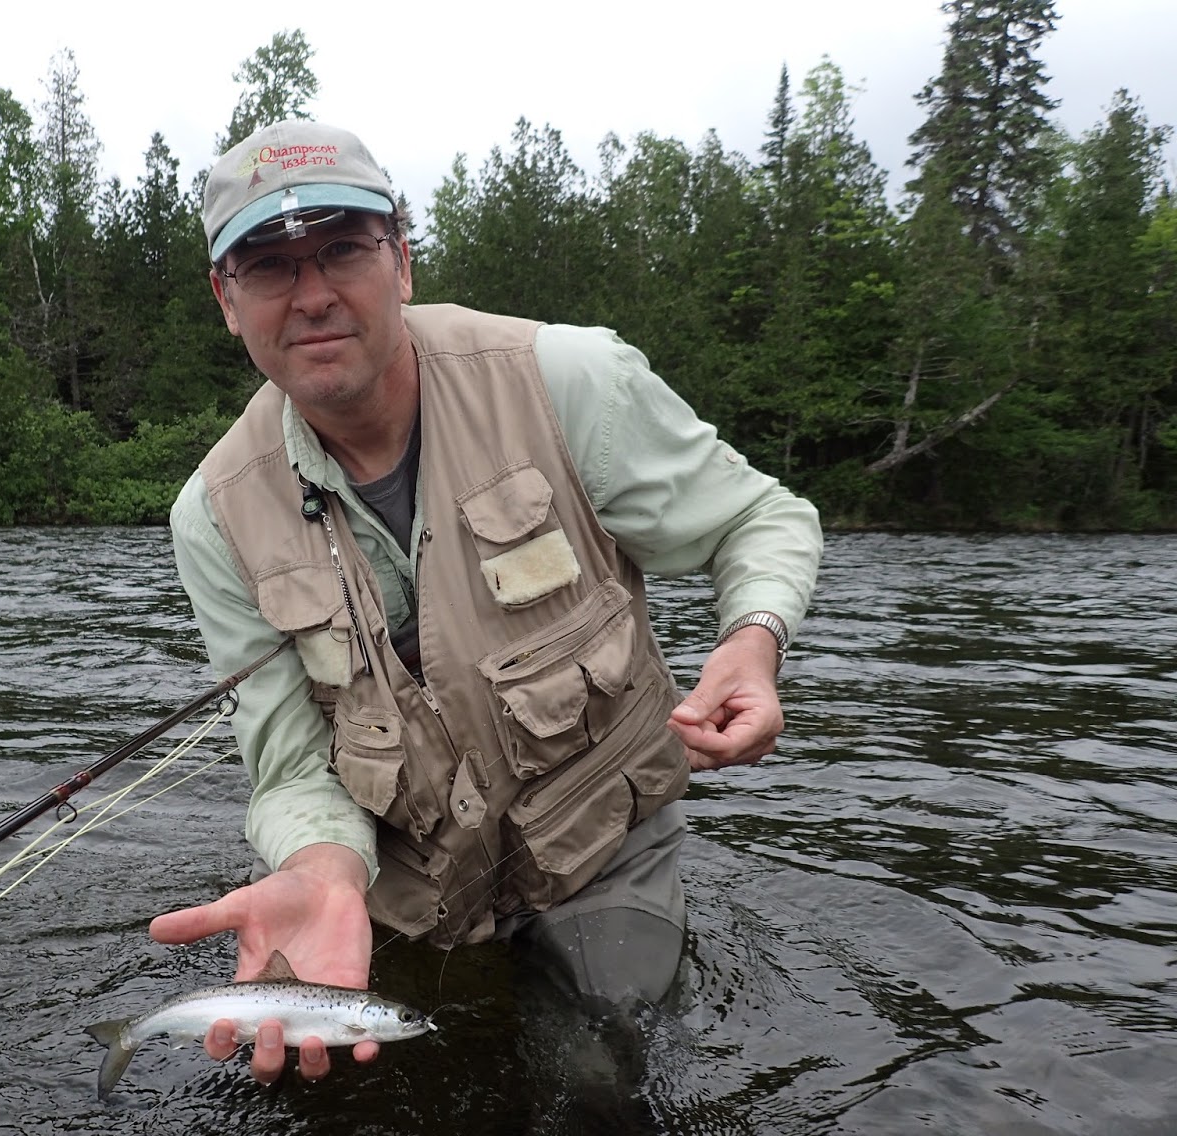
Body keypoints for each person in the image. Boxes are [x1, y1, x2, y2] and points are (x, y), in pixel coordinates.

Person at [151, 121, 823, 1085]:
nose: (312, 293)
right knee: (348, 1099)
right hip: (402, 886)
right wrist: (321, 870)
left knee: (603, 1078)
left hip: (600, 850)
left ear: (401, 260)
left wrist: (752, 642)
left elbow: (760, 516)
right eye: (268, 266)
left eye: (343, 248)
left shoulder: (566, 381)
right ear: (226, 300)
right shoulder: (214, 518)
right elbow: (290, 764)